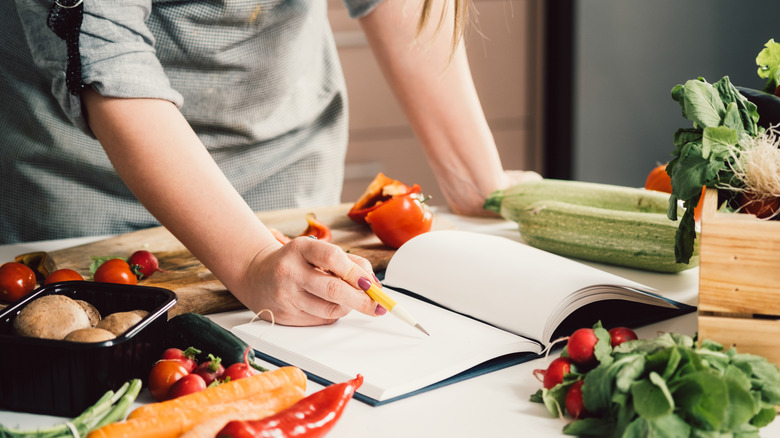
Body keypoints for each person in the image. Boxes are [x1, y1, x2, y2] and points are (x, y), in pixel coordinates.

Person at [2, 0, 540, 326]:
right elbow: (108, 56)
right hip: (85, 192)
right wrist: (254, 260)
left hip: (288, 171)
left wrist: (476, 179)